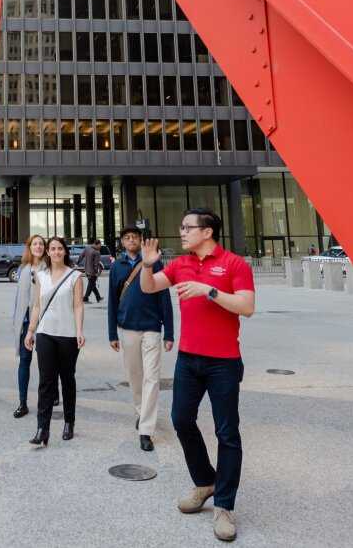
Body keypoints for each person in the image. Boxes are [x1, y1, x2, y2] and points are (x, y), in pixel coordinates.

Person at [140, 209, 255, 542]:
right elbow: (150, 288)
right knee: (181, 420)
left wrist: (209, 290)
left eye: (187, 227)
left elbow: (247, 307)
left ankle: (224, 506)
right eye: (182, 227)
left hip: (224, 362)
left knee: (227, 432)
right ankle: (205, 481)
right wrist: (148, 264)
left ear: (207, 232)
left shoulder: (234, 264)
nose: (182, 232)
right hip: (189, 359)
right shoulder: (180, 264)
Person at [107, 226, 175, 452]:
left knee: (152, 378)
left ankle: (146, 429)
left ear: (141, 240)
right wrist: (111, 333)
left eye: (135, 237)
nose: (131, 240)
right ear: (122, 243)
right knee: (135, 376)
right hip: (127, 328)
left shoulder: (154, 262)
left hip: (152, 328)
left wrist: (170, 332)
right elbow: (112, 302)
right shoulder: (117, 266)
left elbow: (164, 295)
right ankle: (141, 411)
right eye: (127, 238)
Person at [24, 237, 85, 446]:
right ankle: (43, 428)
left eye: (60, 248)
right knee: (46, 381)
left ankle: (69, 421)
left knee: (67, 379)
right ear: (47, 252)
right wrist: (30, 331)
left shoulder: (75, 276)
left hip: (68, 334)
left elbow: (78, 306)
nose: (56, 252)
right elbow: (37, 306)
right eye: (52, 249)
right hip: (45, 333)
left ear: (65, 252)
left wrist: (79, 330)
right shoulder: (40, 275)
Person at [11, 234, 48, 418]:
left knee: (46, 363)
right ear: (30, 247)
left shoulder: (48, 268)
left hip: (44, 321)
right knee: (24, 361)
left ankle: (50, 396)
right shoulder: (23, 268)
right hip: (25, 322)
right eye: (35, 243)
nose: (38, 246)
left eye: (41, 244)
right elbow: (19, 298)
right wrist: (16, 322)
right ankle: (22, 402)